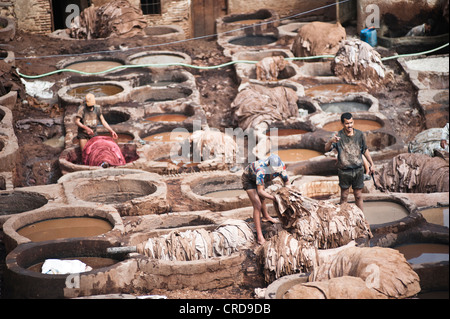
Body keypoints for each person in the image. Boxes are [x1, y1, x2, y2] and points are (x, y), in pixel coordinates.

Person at [324, 112, 375, 211]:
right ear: (342, 124)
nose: (350, 125)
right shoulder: (338, 136)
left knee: (358, 195)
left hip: (358, 170)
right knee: (344, 196)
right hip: (344, 171)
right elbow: (326, 149)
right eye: (347, 123)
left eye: (351, 123)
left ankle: (361, 217)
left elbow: (365, 150)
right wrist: (331, 141)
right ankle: (344, 218)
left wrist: (372, 164)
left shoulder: (359, 134)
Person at [241, 154, 289, 245]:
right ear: (268, 166)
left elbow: (287, 182)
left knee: (263, 198)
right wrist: (274, 198)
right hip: (249, 179)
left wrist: (289, 194)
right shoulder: (261, 170)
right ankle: (259, 236)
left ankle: (266, 217)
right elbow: (260, 192)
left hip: (264, 179)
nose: (276, 172)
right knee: (257, 204)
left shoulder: (281, 166)